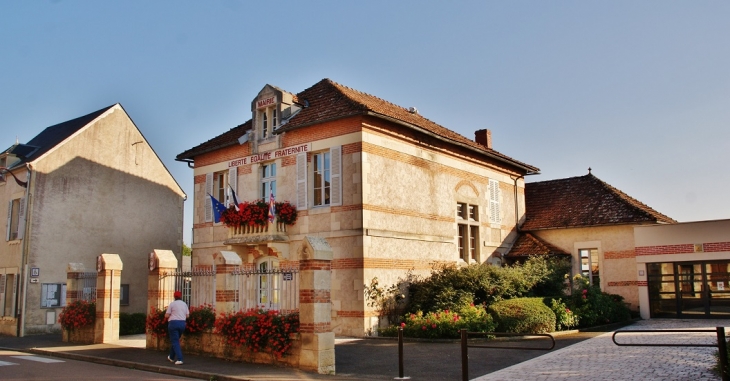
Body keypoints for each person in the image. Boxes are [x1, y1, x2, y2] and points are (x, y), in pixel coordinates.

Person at [165, 290, 189, 365]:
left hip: (173, 323)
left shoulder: (172, 304)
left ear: (174, 296)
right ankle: (171, 357)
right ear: (180, 296)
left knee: (175, 341)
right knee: (175, 340)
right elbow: (187, 315)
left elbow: (167, 315)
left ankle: (180, 359)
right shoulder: (184, 304)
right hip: (182, 324)